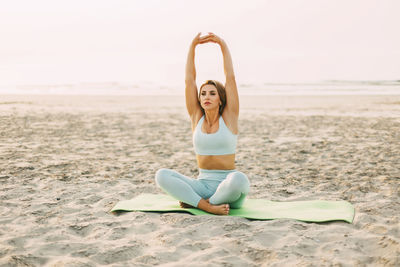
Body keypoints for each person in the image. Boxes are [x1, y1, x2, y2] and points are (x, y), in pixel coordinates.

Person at [155, 32, 250, 215]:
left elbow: (230, 78)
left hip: (228, 189)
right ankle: (207, 206)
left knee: (239, 179)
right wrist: (192, 47)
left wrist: (222, 45)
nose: (207, 97)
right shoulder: (196, 117)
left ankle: (204, 203)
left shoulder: (229, 117)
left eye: (212, 93)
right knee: (162, 175)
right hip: (201, 186)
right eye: (203, 93)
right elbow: (189, 80)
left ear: (221, 99)